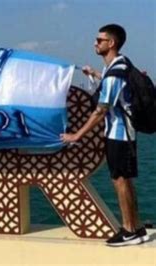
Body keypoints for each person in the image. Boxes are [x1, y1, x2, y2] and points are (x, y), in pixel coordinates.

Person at [61, 24, 149, 247]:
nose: (95, 43)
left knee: (120, 181)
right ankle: (135, 227)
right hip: (124, 135)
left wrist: (76, 135)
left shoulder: (114, 74)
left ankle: (129, 231)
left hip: (119, 135)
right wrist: (95, 74)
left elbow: (101, 109)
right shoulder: (121, 65)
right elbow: (113, 83)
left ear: (111, 43)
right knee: (124, 180)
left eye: (99, 40)